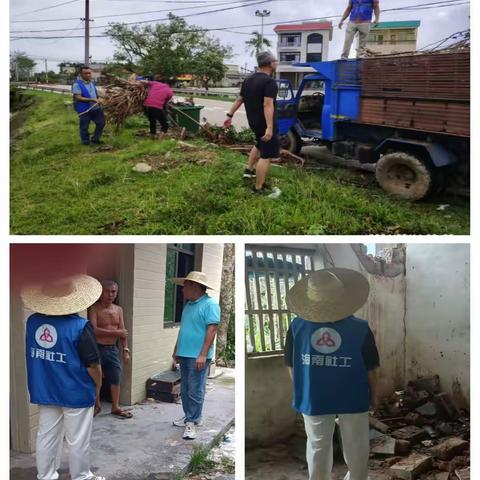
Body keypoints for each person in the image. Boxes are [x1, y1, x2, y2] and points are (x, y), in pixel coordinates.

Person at [284, 268, 380, 480]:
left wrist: (302, 391)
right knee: (356, 444)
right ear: (343, 297)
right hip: (353, 395)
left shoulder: (297, 327)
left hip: (314, 397)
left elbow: (291, 366)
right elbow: (371, 368)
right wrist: (374, 396)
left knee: (318, 445)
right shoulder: (361, 328)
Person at [22, 274, 106, 480]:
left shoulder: (33, 322)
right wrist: (97, 390)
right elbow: (93, 366)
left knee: (46, 435)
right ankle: (82, 476)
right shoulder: (80, 327)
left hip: (45, 389)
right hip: (76, 392)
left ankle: (46, 475)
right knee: (77, 439)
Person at [171, 271, 220, 440]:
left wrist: (203, 354)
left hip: (198, 356)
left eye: (185, 286)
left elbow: (212, 329)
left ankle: (193, 421)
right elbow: (184, 329)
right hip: (185, 353)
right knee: (185, 388)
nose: (182, 290)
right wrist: (176, 349)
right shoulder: (189, 305)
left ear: (195, 287)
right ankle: (187, 417)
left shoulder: (210, 304)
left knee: (195, 389)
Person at [224, 51, 280, 195]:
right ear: (269, 64)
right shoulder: (269, 82)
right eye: (275, 61)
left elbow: (239, 99)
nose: (277, 63)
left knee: (259, 144)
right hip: (264, 123)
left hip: (254, 122)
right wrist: (269, 127)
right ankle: (259, 188)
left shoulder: (248, 80)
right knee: (266, 155)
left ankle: (248, 171)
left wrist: (229, 115)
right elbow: (267, 104)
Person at [88, 280, 132, 419]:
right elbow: (93, 330)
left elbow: (123, 332)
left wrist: (125, 350)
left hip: (113, 349)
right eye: (107, 291)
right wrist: (116, 333)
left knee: (115, 378)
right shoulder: (95, 308)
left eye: (114, 292)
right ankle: (97, 405)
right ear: (101, 292)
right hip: (97, 348)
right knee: (96, 378)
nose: (110, 295)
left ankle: (115, 406)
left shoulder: (118, 309)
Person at [72, 66, 106, 145]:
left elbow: (95, 93)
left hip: (95, 108)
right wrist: (92, 100)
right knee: (84, 127)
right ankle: (85, 142)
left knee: (101, 123)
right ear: (81, 74)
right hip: (84, 109)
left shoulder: (91, 83)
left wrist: (104, 96)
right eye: (85, 73)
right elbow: (78, 97)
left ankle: (95, 139)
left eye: (89, 73)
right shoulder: (77, 85)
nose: (88, 75)